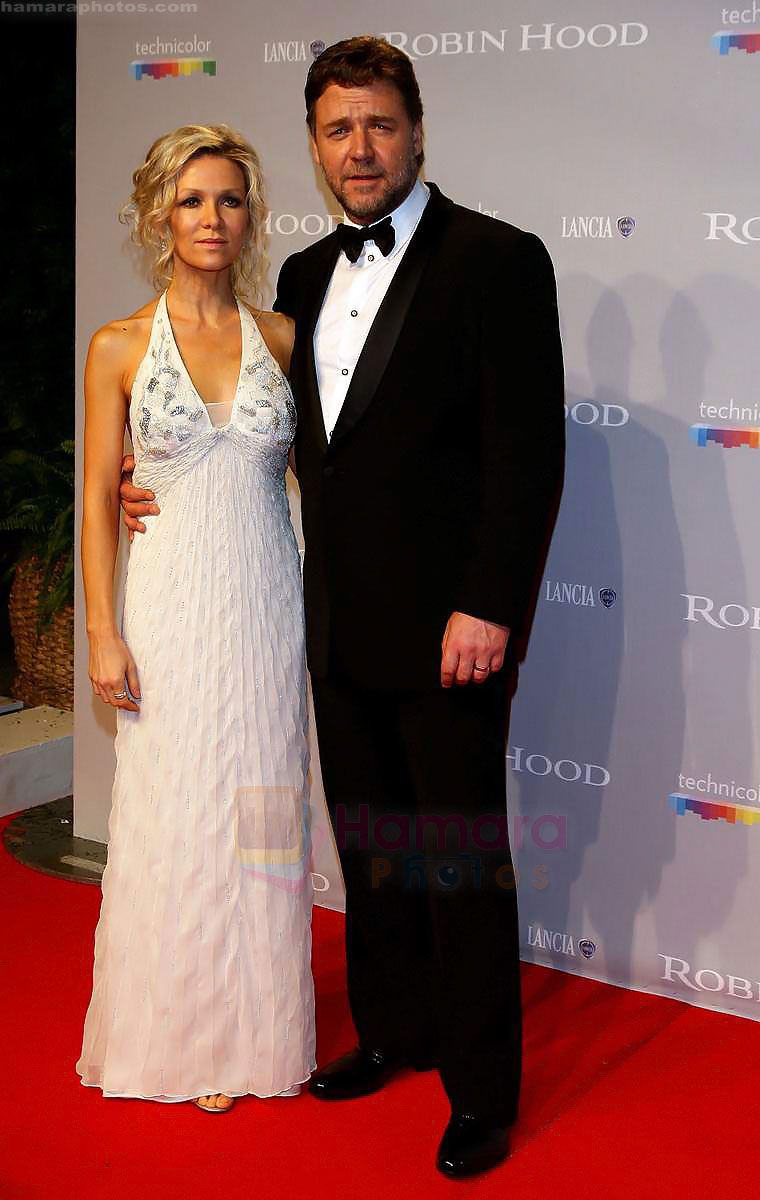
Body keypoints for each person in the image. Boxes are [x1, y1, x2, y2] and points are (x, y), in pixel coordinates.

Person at [123, 36, 564, 1176]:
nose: (357, 148)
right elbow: (263, 443)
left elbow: (526, 458)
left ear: (415, 129)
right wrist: (147, 485)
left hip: (451, 632)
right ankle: (393, 1033)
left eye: (376, 124)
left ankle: (479, 1091)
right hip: (325, 622)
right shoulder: (303, 283)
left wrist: (485, 605)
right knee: (371, 847)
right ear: (314, 146)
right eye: (335, 129)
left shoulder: (496, 261)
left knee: (458, 859)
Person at [77, 124, 316, 1113]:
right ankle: (173, 1034)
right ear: (157, 216)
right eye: (190, 200)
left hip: (265, 608)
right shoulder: (119, 346)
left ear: (250, 215)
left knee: (261, 822)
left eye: (227, 199)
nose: (210, 218)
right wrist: (101, 629)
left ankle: (257, 1034)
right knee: (172, 818)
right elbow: (96, 494)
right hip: (168, 614)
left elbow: (327, 480)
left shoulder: (282, 339)